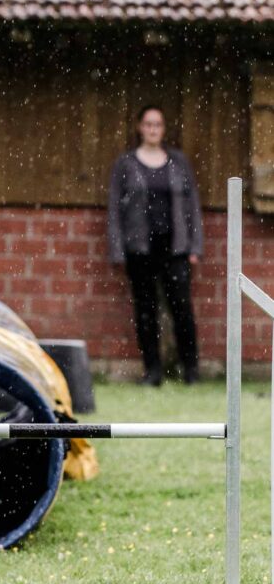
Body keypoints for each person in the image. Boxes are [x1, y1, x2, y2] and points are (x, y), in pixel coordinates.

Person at [108, 105, 202, 386]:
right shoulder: (125, 165)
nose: (152, 129)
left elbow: (193, 206)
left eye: (157, 124)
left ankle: (191, 371)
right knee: (145, 312)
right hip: (139, 250)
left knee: (182, 310)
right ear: (139, 127)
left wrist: (195, 247)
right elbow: (114, 209)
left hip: (176, 249)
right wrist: (117, 250)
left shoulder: (178, 163)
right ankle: (153, 372)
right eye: (148, 124)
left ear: (163, 129)